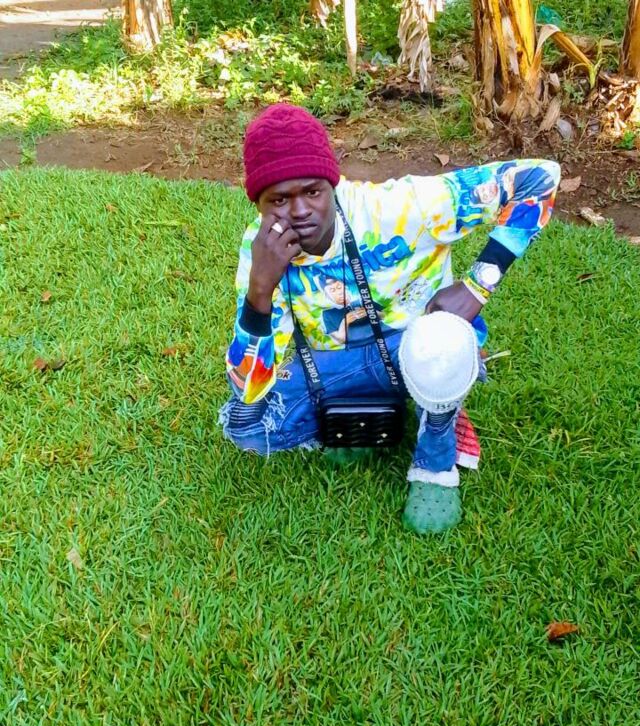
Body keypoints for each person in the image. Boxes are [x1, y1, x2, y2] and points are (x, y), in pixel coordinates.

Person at [220, 104, 560, 534]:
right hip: (336, 362)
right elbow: (249, 387)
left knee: (441, 344)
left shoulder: (401, 206)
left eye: (313, 191)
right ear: (257, 203)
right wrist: (259, 291)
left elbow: (539, 177)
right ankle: (367, 419)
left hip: (418, 345)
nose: (301, 210)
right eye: (280, 200)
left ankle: (436, 454)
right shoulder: (262, 248)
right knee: (245, 427)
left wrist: (477, 286)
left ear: (332, 183)